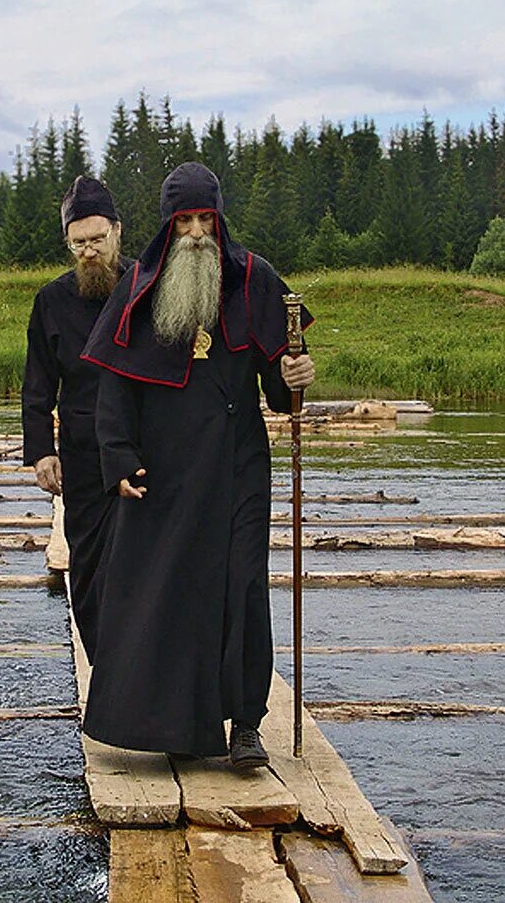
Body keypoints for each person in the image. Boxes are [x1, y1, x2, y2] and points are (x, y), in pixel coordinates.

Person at [80, 161, 315, 770]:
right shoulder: (139, 287)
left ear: (218, 219)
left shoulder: (253, 280)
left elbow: (281, 385)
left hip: (237, 466)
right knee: (168, 591)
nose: (193, 232)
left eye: (202, 219)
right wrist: (120, 459)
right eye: (182, 220)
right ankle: (171, 726)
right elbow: (115, 389)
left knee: (241, 590)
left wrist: (295, 380)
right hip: (164, 473)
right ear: (167, 225)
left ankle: (245, 727)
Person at [22, 176, 133, 663]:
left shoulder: (143, 286)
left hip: (141, 452)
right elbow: (38, 384)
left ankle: (143, 678)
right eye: (79, 244)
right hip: (83, 456)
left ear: (117, 233)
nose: (89, 253)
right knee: (87, 565)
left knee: (142, 564)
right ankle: (105, 671)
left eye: (97, 240)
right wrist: (42, 450)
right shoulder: (51, 300)